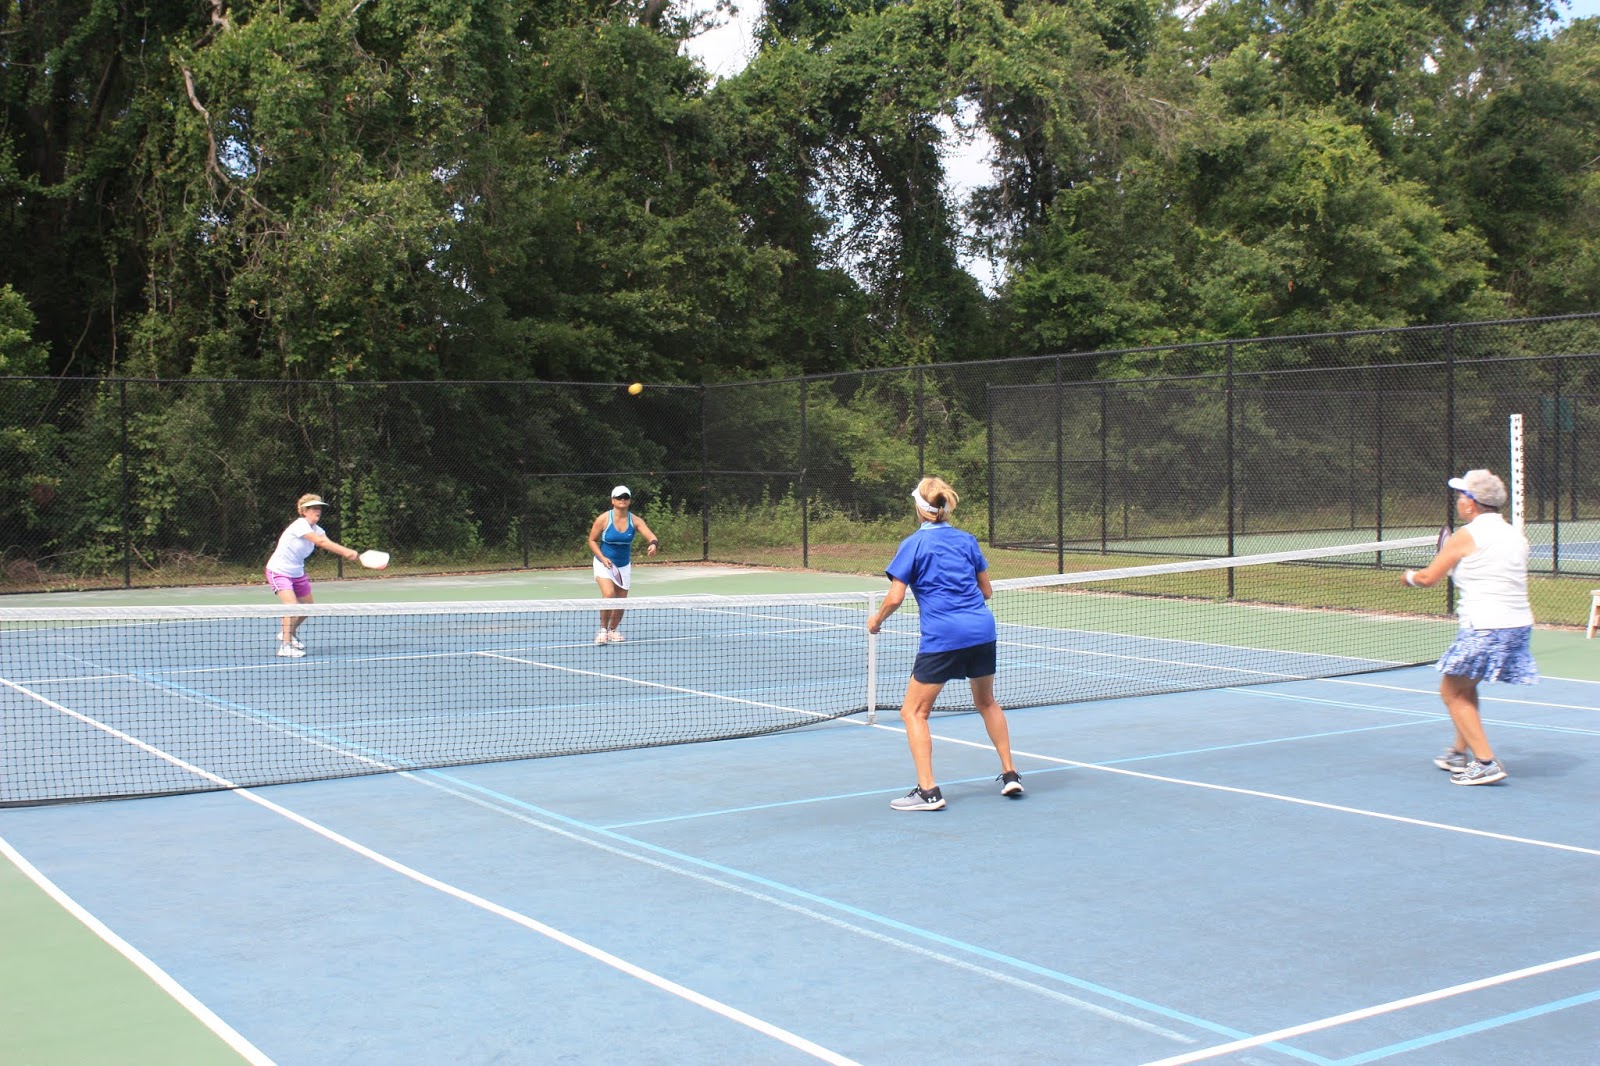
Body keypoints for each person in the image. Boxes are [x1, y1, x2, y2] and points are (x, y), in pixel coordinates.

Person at [866, 476, 1022, 810]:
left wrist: (876, 621)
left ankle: (928, 792)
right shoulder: (967, 540)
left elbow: (895, 597)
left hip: (943, 636)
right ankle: (1010, 774)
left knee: (913, 712)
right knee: (987, 702)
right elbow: (986, 591)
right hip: (982, 630)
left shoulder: (913, 544)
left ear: (919, 508)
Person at [1402, 469, 1538, 785]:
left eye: (1462, 495)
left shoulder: (1467, 535)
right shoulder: (1515, 535)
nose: (1459, 501)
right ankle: (1457, 752)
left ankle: (1486, 762)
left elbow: (1427, 578)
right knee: (1466, 686)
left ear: (1472, 503)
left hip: (1485, 627)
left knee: (1451, 691)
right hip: (1517, 625)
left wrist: (1408, 577)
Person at [265, 494, 361, 658]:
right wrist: (347, 552)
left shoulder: (318, 530)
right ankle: (285, 646)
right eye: (314, 508)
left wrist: (349, 553)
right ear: (304, 511)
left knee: (308, 607)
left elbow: (326, 542)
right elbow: (321, 542)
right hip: (279, 571)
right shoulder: (300, 525)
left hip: (298, 572)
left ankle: (288, 632)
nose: (318, 511)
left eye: (319, 508)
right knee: (291, 605)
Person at [587, 485, 658, 644]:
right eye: (619, 497)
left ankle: (612, 630)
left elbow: (651, 536)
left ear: (629, 501)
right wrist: (603, 558)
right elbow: (591, 540)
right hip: (603, 564)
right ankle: (603, 630)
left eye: (626, 497)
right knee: (609, 595)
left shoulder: (635, 520)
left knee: (621, 601)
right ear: (613, 500)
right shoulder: (604, 519)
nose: (622, 500)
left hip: (623, 565)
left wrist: (653, 544)